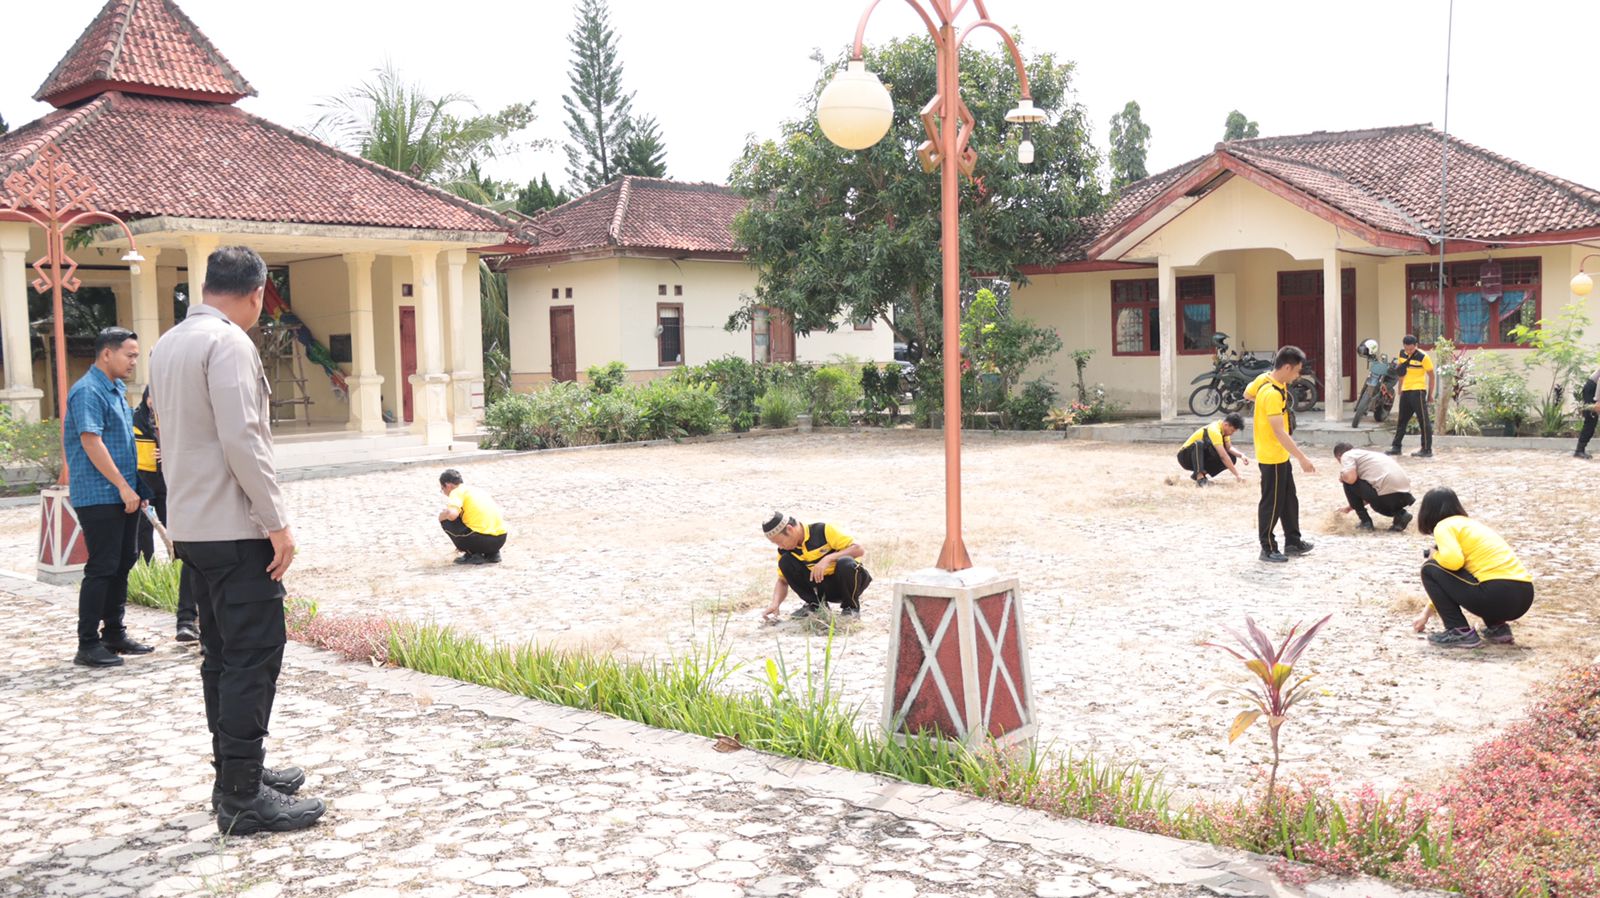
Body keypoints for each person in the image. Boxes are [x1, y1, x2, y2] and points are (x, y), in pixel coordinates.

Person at [150, 245, 324, 835]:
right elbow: (243, 439)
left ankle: (235, 773)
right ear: (256, 293)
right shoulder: (228, 343)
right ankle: (242, 799)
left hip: (193, 527)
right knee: (253, 657)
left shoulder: (168, 344)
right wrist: (277, 521)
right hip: (235, 527)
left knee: (221, 658)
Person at [65, 327, 154, 668]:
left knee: (124, 561)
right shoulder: (88, 391)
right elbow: (91, 442)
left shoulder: (115, 388)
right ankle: (87, 644)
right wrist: (121, 486)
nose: (134, 362)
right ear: (107, 353)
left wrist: (136, 487)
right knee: (102, 567)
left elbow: (124, 443)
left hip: (123, 493)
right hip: (100, 494)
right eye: (129, 355)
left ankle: (114, 633)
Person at [1412, 487, 1533, 648]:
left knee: (1428, 567)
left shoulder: (1443, 526)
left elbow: (1453, 562)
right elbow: (1455, 581)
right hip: (1524, 595)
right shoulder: (1470, 525)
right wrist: (1425, 614)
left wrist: (1434, 556)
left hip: (1497, 594)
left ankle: (1458, 631)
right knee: (1477, 578)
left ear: (1427, 512)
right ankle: (1498, 628)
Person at [133, 388, 200, 642]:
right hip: (150, 484)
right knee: (149, 537)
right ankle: (186, 620)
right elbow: (138, 457)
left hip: (178, 488)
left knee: (186, 551)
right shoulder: (139, 419)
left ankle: (193, 622)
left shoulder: (177, 417)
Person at [1246, 346, 1316, 563]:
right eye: (1296, 371)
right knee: (1272, 503)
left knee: (1288, 500)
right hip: (1272, 456)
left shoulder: (1267, 380)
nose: (1297, 376)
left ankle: (1293, 541)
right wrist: (1302, 457)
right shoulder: (1271, 393)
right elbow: (1279, 431)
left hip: (1279, 455)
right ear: (1286, 367)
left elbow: (1247, 393)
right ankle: (1267, 547)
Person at [760, 511, 871, 621]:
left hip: (850, 583)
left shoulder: (823, 530)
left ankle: (851, 608)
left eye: (780, 542)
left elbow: (858, 549)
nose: (780, 546)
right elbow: (782, 581)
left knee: (846, 563)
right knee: (785, 562)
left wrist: (828, 558)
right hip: (823, 588)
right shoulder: (784, 551)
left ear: (790, 529)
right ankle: (816, 606)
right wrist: (775, 604)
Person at [1333, 442, 1415, 532]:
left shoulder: (1346, 455)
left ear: (1339, 457)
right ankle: (1401, 514)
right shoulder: (1369, 455)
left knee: (1347, 480)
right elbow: (1369, 493)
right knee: (1377, 504)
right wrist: (1348, 508)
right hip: (1404, 496)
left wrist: (1342, 476)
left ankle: (1365, 522)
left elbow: (1351, 479)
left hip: (1386, 495)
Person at [438, 469, 506, 564]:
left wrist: (442, 515)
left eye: (442, 488)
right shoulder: (476, 490)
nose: (444, 492)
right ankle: (493, 554)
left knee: (445, 519)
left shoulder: (456, 492)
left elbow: (452, 515)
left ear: (448, 485)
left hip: (480, 541)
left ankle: (473, 553)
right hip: (500, 540)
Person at [1387, 335, 1435, 458]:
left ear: (1416, 345)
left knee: (1423, 421)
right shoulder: (1402, 354)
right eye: (1406, 349)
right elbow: (1401, 372)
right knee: (1402, 420)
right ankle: (1396, 447)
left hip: (1418, 391)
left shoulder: (1423, 357)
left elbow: (1432, 376)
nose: (1408, 351)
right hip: (1406, 390)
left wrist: (1430, 394)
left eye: (1411, 349)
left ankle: (1426, 449)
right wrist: (1400, 389)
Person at [1177, 413, 1250, 486]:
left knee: (1232, 457)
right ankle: (1200, 478)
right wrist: (1237, 475)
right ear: (1226, 425)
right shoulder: (1215, 430)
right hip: (1185, 456)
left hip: (1199, 459)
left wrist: (1241, 455)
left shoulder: (1224, 432)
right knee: (1198, 444)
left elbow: (1229, 448)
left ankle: (1200, 473)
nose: (1232, 433)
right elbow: (1223, 456)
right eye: (1232, 430)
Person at [1574, 368, 1599, 459]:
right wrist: (1598, 401)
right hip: (1592, 389)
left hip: (1595, 389)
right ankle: (1579, 450)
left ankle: (1580, 449)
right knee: (1591, 420)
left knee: (1592, 421)